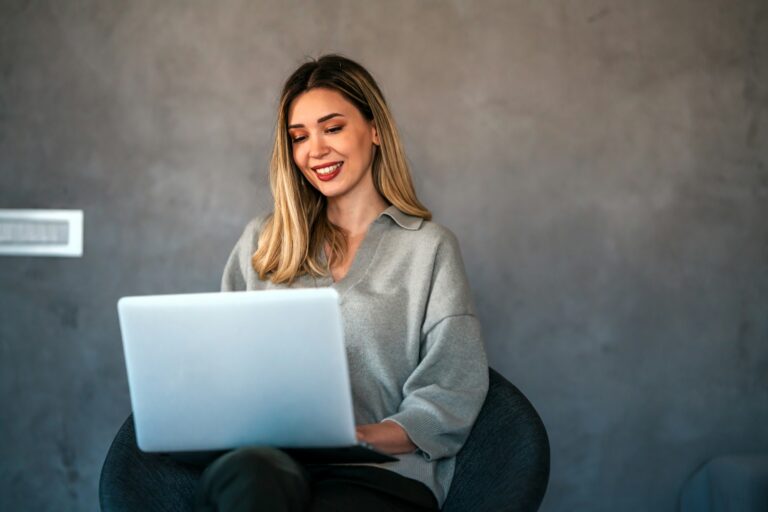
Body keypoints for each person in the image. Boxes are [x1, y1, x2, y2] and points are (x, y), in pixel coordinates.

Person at [194, 54, 489, 512]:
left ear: (374, 130)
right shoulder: (263, 241)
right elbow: (224, 366)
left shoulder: (428, 249)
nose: (315, 150)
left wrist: (361, 438)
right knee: (248, 480)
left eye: (332, 128)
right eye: (299, 137)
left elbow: (450, 388)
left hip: (376, 475)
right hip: (269, 467)